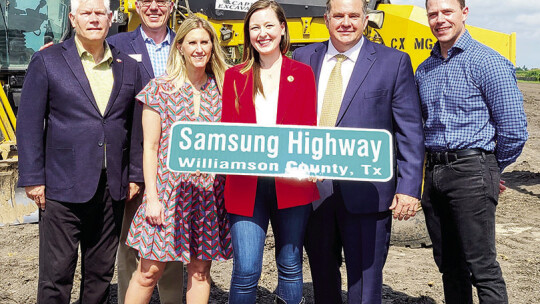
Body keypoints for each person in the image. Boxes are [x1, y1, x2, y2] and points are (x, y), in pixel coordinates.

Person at [293, 0, 425, 302]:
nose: (346, 22)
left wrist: (408, 188)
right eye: (338, 16)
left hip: (369, 195)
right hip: (314, 192)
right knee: (322, 278)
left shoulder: (394, 62)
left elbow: (410, 132)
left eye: (354, 16)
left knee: (365, 285)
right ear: (326, 19)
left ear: (366, 20)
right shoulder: (302, 57)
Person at [16, 0, 143, 302]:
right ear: (73, 19)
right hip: (61, 186)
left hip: (112, 186)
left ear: (111, 19)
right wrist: (33, 178)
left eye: (100, 13)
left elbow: (136, 126)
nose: (94, 19)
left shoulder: (129, 66)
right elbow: (29, 122)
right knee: (57, 274)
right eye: (86, 13)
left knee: (100, 274)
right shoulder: (47, 61)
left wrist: (135, 174)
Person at [415, 0, 528, 303]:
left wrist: (489, 168)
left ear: (464, 13)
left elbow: (514, 129)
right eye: (433, 14)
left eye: (447, 12)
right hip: (434, 172)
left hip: (470, 171)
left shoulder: (487, 62)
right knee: (449, 267)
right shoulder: (425, 69)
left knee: (482, 268)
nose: (440, 19)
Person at [123, 16, 233, 304]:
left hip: (209, 194)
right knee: (149, 270)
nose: (199, 49)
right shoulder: (159, 89)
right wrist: (152, 198)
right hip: (168, 193)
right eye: (192, 42)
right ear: (180, 46)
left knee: (199, 271)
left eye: (204, 42)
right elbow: (150, 147)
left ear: (212, 47)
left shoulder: (225, 90)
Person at [221, 1, 319, 303]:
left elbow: (309, 128)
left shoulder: (302, 74)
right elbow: (228, 132)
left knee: (290, 265)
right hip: (245, 184)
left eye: (268, 26)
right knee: (246, 269)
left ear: (282, 29)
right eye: (255, 27)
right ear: (247, 33)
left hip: (291, 183)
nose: (262, 33)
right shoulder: (234, 76)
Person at [106, 1, 185, 303]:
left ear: (172, 4)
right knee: (129, 246)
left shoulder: (185, 43)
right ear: (136, 5)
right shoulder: (116, 44)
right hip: (132, 164)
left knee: (172, 245)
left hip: (172, 169)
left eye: (161, 1)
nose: (154, 7)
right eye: (146, 1)